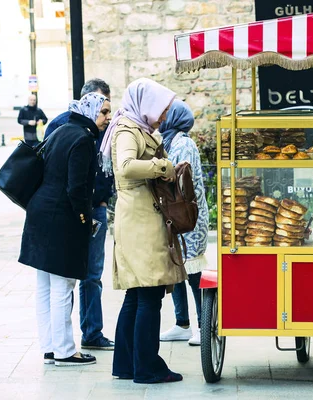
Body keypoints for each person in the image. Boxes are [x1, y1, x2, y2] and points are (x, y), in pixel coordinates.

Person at [101, 78, 186, 384]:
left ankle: (126, 364)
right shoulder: (127, 130)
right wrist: (162, 166)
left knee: (137, 296)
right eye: (161, 109)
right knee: (148, 295)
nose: (164, 116)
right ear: (146, 104)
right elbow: (125, 166)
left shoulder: (137, 128)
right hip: (139, 221)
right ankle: (148, 367)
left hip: (138, 218)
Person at [18, 92, 112, 366]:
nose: (107, 117)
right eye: (104, 111)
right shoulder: (83, 139)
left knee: (45, 285)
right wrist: (85, 219)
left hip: (40, 215)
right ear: (91, 110)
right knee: (63, 285)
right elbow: (77, 187)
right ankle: (65, 351)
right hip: (61, 219)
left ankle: (50, 348)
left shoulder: (62, 131)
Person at [45, 79, 115, 351]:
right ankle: (63, 341)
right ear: (84, 100)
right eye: (100, 106)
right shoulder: (63, 124)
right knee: (66, 278)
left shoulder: (105, 127)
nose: (105, 115)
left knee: (93, 274)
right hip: (72, 209)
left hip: (96, 205)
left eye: (107, 106)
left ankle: (92, 332)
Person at [159, 100, 208, 346]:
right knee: (177, 268)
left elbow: (181, 177)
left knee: (194, 271)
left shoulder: (184, 143)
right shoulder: (170, 141)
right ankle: (182, 323)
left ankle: (202, 325)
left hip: (189, 217)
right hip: (175, 216)